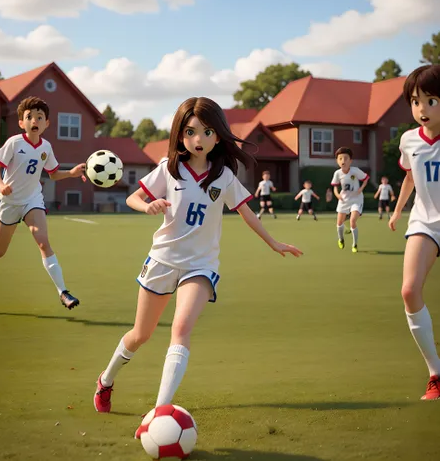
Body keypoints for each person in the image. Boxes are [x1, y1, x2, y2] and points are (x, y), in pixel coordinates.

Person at [93, 97, 303, 424]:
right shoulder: (169, 170)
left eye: (207, 132)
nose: (199, 140)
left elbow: (247, 213)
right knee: (140, 334)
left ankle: (159, 413)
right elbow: (133, 196)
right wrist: (145, 206)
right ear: (180, 136)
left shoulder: (224, 177)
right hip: (162, 260)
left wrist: (273, 242)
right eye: (191, 132)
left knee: (181, 328)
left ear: (218, 136)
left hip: (201, 266)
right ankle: (105, 380)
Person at [0, 96, 85, 310]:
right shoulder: (14, 142)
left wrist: (73, 173)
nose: (34, 120)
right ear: (22, 122)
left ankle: (63, 292)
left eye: (40, 117)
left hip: (32, 200)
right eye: (29, 117)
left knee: (43, 241)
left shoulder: (46, 147)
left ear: (46, 123)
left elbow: (53, 174)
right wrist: (1, 185)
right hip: (10, 203)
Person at [389, 64, 440, 400]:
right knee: (409, 291)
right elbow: (409, 176)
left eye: (431, 100)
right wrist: (397, 211)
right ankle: (436, 374)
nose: (422, 109)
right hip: (425, 222)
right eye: (415, 101)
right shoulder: (409, 140)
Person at [331, 147, 369, 253]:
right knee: (339, 223)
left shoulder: (355, 171)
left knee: (352, 221)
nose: (343, 161)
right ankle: (341, 239)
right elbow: (335, 186)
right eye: (340, 158)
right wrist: (337, 194)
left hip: (356, 199)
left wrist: (360, 189)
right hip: (344, 200)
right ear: (337, 161)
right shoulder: (337, 173)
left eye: (346, 158)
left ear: (350, 161)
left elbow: (366, 179)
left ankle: (354, 244)